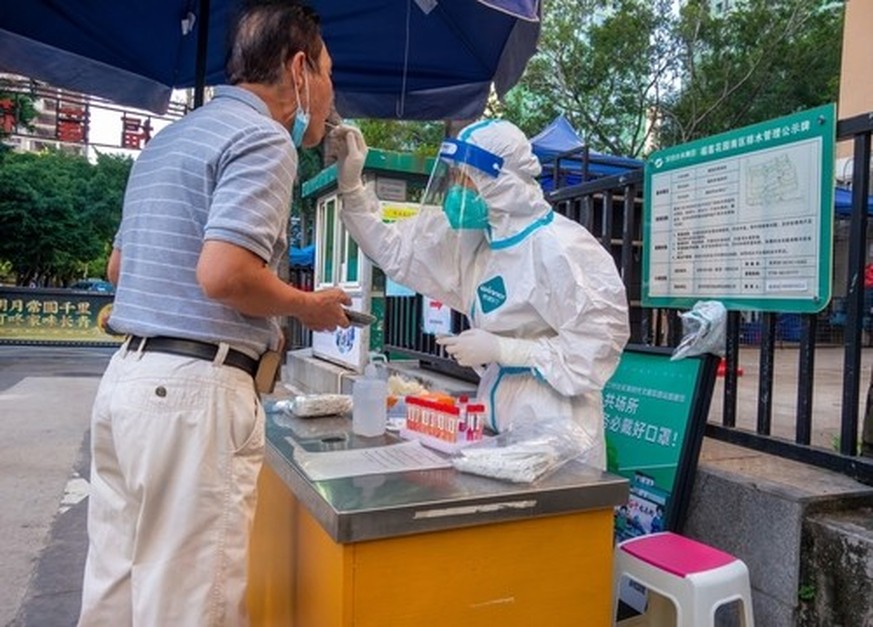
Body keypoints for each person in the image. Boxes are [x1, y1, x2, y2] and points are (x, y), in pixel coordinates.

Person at [78, 3, 351, 626]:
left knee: (116, 592)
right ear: (300, 69)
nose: (333, 95)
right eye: (330, 73)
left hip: (126, 383)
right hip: (193, 398)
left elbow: (122, 270)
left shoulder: (169, 138)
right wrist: (310, 305)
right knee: (192, 605)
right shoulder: (263, 139)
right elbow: (224, 274)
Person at [334, 119, 629, 469]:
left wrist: (505, 349)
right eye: (454, 177)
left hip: (558, 430)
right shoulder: (477, 243)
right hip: (496, 416)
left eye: (465, 179)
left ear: (500, 181)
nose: (456, 190)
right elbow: (397, 250)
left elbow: (594, 351)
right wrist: (352, 186)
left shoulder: (562, 248)